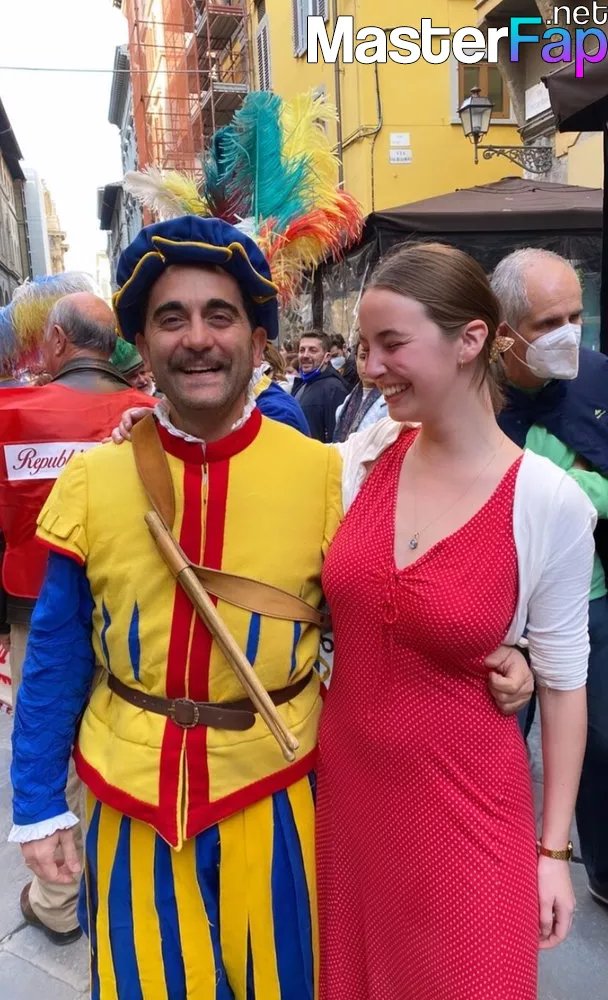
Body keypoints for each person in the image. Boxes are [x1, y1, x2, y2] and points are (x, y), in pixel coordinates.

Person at [13, 218, 533, 999]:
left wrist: (506, 656)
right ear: (143, 346)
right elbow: (56, 655)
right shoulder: (91, 482)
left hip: (280, 789)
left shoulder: (328, 476)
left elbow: (393, 609)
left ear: (258, 343)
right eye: (171, 319)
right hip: (129, 799)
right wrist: (37, 805)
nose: (197, 338)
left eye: (220, 316)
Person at [316, 242, 595, 1000]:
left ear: (470, 339)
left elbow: (565, 687)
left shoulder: (547, 501)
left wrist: (553, 853)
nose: (371, 367)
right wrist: (144, 429)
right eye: (365, 346)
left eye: (391, 344)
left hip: (468, 810)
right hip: (349, 799)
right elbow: (253, 464)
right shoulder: (364, 459)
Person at [0, 291, 155, 945]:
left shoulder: (11, 414)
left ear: (58, 341)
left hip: (37, 612)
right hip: (134, 614)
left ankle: (60, 899)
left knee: (48, 742)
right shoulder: (156, 414)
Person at [491, 247, 608, 909]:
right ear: (504, 334)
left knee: (601, 743)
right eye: (548, 323)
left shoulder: (599, 381)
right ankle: (503, 880)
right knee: (497, 750)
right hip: (499, 611)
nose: (569, 333)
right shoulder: (472, 391)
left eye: (575, 316)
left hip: (590, 601)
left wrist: (573, 488)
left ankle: (599, 870)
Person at [292, 332, 349, 442]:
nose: (305, 355)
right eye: (302, 350)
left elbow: (337, 438)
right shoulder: (303, 384)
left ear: (327, 357)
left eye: (312, 350)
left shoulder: (334, 390)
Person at [333, 339, 387, 442]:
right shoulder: (347, 402)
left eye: (374, 357)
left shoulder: (391, 402)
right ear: (355, 360)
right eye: (363, 357)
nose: (368, 364)